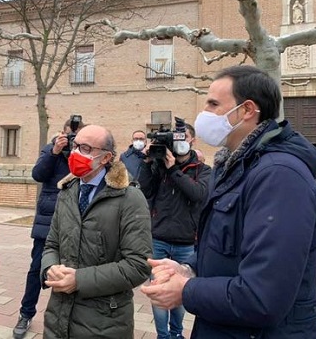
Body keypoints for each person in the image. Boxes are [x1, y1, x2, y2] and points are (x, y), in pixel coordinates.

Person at [140, 65, 316, 338]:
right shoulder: (237, 166)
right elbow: (228, 247)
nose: (203, 113)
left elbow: (263, 297)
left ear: (247, 110)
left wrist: (186, 290)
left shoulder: (279, 175)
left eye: (213, 104)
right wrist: (189, 267)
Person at [40, 124, 153, 338]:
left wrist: (79, 280)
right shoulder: (67, 191)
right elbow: (51, 244)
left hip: (105, 322)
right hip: (58, 316)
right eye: (75, 145)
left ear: (105, 158)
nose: (75, 153)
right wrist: (49, 268)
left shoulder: (129, 198)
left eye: (85, 148)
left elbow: (138, 265)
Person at [138, 121, 211, 339]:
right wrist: (147, 162)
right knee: (159, 290)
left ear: (192, 140)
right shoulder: (159, 167)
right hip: (158, 238)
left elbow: (198, 194)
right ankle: (163, 336)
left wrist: (174, 170)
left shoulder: (203, 170)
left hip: (186, 242)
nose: (179, 141)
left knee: (178, 291)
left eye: (184, 137)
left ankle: (177, 333)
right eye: (175, 138)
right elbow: (144, 190)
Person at [12, 118, 84, 339]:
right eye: (69, 135)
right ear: (60, 133)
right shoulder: (51, 148)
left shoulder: (84, 153)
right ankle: (25, 313)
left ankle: (71, 320)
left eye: (76, 137)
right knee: (36, 270)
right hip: (48, 219)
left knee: (74, 272)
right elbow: (38, 175)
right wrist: (55, 151)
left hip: (77, 221)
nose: (72, 140)